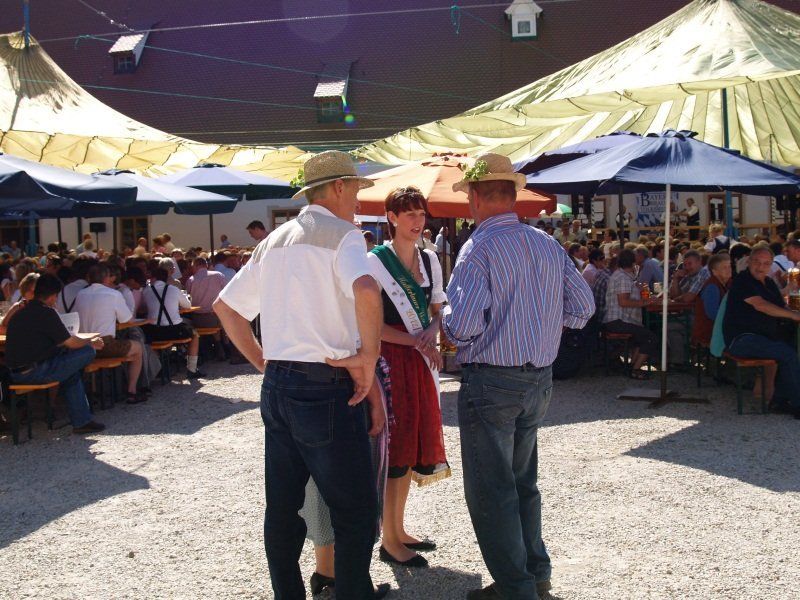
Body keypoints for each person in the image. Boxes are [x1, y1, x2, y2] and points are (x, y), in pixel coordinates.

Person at [213, 150, 388, 599]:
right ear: (338, 188)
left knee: (283, 509)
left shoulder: (275, 239)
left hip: (279, 384)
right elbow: (367, 290)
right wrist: (368, 357)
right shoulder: (344, 234)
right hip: (324, 385)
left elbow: (226, 308)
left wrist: (263, 362)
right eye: (355, 188)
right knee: (356, 510)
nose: (357, 199)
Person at [443, 153, 595, 600]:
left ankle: (516, 587)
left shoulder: (479, 248)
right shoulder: (545, 243)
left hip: (493, 378)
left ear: (474, 197)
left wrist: (447, 322)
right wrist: (541, 325)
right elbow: (583, 308)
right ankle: (534, 575)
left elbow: (462, 327)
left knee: (493, 490)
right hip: (538, 377)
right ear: (511, 196)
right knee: (523, 482)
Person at [369, 187, 448, 569]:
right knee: (396, 449)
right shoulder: (374, 263)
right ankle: (388, 540)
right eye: (410, 214)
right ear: (392, 218)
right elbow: (371, 326)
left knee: (412, 445)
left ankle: (398, 529)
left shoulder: (430, 260)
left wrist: (432, 331)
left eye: (421, 214)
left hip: (419, 362)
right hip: (389, 364)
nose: (418, 221)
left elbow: (437, 310)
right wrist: (418, 340)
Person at [5, 273, 105, 434]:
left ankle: (82, 421)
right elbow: (71, 343)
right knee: (87, 351)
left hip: (15, 373)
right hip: (35, 371)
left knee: (71, 372)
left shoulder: (20, 312)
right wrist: (90, 341)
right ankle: (81, 421)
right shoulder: (46, 313)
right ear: (53, 296)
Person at [723, 246, 800, 417]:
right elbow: (761, 305)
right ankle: (797, 404)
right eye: (757, 262)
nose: (761, 267)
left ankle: (780, 400)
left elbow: (781, 306)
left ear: (771, 265)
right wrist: (794, 315)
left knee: (793, 345)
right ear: (749, 262)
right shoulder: (742, 281)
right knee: (786, 353)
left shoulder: (769, 283)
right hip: (742, 340)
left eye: (766, 263)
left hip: (765, 337)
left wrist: (792, 312)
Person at [74, 264, 145, 404]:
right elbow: (127, 319)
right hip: (105, 344)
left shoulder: (80, 294)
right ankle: (131, 390)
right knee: (138, 348)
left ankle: (94, 390)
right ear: (107, 278)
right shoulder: (113, 294)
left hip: (84, 344)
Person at [603, 249, 659, 379]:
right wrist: (645, 302)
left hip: (618, 320)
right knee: (651, 338)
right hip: (618, 321)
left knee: (641, 335)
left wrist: (640, 292)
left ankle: (631, 366)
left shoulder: (622, 275)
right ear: (633, 264)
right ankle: (635, 369)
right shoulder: (623, 278)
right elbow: (623, 301)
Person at [141, 267, 205, 379]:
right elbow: (188, 305)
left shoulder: (146, 291)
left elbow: (142, 308)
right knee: (194, 335)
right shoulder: (173, 289)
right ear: (166, 278)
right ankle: (192, 368)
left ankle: (159, 366)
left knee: (148, 339)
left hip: (154, 331)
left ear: (153, 278)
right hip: (174, 330)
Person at [186, 257, 228, 361]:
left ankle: (206, 350)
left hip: (197, 319)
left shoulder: (191, 280)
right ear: (206, 265)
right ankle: (223, 347)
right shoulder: (218, 275)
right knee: (222, 318)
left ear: (195, 266)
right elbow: (227, 292)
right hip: (215, 317)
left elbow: (188, 296)